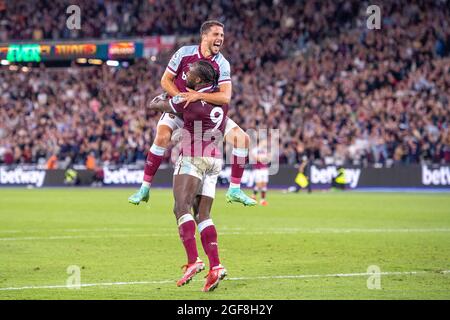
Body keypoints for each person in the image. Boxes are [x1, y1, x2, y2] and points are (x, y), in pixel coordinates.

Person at [128, 20, 256, 207]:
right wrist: (181, 98)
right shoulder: (184, 53)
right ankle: (144, 188)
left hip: (204, 113)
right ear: (204, 36)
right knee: (162, 136)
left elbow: (226, 97)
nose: (220, 38)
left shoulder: (222, 63)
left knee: (242, 139)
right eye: (216, 34)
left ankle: (234, 190)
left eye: (222, 35)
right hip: (181, 109)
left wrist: (195, 96)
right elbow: (166, 81)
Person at [148, 60, 229, 292]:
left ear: (200, 79)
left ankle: (194, 260)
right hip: (215, 159)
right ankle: (216, 266)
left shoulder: (188, 101)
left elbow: (154, 104)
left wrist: (169, 97)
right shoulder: (220, 102)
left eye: (191, 73)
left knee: (180, 208)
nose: (187, 74)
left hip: (193, 156)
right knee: (202, 213)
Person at [251, 140, 270, 206]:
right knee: (259, 185)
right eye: (264, 142)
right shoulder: (255, 150)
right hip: (258, 169)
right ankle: (253, 195)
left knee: (264, 184)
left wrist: (264, 158)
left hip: (265, 169)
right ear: (260, 142)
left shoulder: (265, 150)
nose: (265, 143)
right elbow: (257, 159)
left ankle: (262, 200)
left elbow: (268, 159)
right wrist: (264, 158)